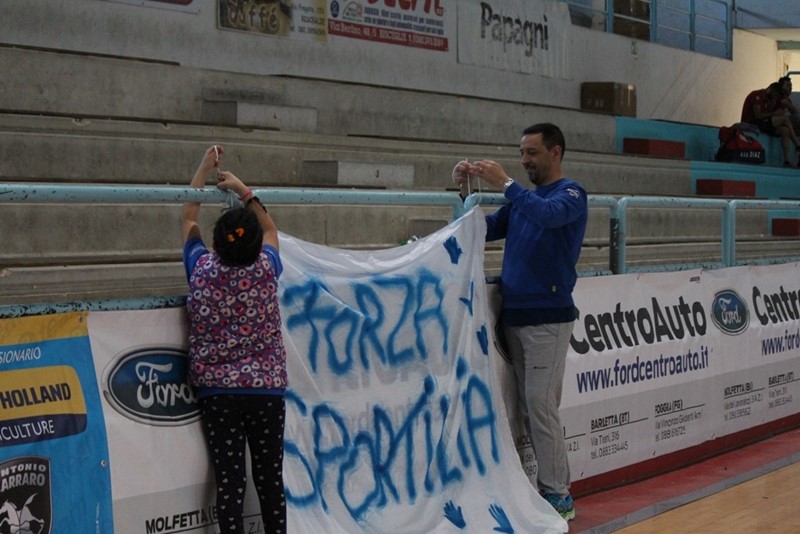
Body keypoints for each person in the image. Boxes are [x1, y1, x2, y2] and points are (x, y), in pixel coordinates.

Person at [451, 123, 587, 521]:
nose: (524, 160)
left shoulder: (571, 194)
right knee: (526, 408)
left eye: (532, 152)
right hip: (514, 316)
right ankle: (538, 489)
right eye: (521, 153)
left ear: (555, 153)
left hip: (548, 318)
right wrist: (464, 191)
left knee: (541, 407)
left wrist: (506, 183)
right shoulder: (522, 201)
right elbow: (483, 229)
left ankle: (558, 495)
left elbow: (547, 216)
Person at [182, 145, 288, 534]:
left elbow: (188, 218)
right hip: (266, 391)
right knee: (270, 481)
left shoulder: (201, 269)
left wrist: (202, 169)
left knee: (230, 484)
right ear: (256, 245)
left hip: (218, 393)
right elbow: (272, 229)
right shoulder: (267, 268)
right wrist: (244, 191)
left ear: (217, 243)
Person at [741, 82, 800, 167]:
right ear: (770, 90)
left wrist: (771, 107)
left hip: (762, 123)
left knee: (785, 130)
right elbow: (758, 115)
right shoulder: (756, 95)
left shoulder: (768, 99)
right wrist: (774, 113)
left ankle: (787, 161)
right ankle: (797, 144)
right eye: (774, 95)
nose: (775, 98)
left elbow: (767, 116)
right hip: (752, 122)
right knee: (784, 118)